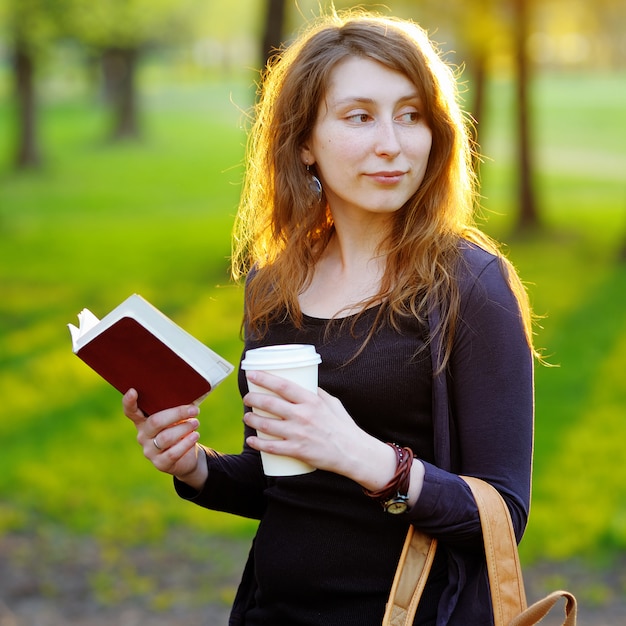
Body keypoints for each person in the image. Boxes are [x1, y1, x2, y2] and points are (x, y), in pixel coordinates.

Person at [123, 10, 535, 626]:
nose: (391, 143)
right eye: (359, 116)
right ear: (305, 143)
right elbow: (282, 484)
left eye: (411, 115)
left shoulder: (470, 286)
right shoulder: (274, 285)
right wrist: (196, 466)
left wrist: (364, 457)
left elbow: (502, 516)